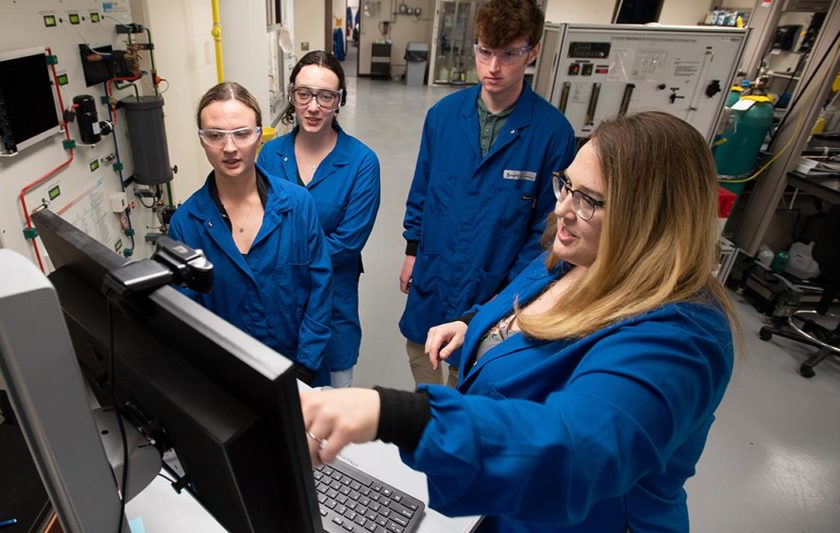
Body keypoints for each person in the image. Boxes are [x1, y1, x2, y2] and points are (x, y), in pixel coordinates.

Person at [301, 112, 738, 531]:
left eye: (587, 200)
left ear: (651, 220)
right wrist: (476, 324)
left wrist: (395, 415)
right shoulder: (577, 256)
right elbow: (524, 307)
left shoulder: (681, 335)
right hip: (501, 502)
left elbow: (575, 448)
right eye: (566, 185)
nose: (561, 209)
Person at [399, 0, 577, 387]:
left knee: (472, 380)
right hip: (435, 273)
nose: (493, 68)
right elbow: (423, 191)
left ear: (534, 50)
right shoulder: (443, 117)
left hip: (497, 285)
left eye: (509, 54)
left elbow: (546, 233)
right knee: (423, 364)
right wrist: (412, 252)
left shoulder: (552, 134)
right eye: (485, 51)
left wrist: (513, 295)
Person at [168, 82, 333, 385]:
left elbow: (320, 290)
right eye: (215, 135)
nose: (229, 148)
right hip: (229, 377)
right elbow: (188, 312)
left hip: (299, 370)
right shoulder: (186, 224)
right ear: (202, 140)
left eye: (242, 133)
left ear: (259, 136)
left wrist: (306, 366)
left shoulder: (297, 206)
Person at [259, 51, 381, 388]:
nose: (313, 106)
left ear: (339, 100)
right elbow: (260, 223)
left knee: (334, 402)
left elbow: (348, 242)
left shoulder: (362, 162)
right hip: (279, 304)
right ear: (292, 95)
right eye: (304, 94)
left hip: (333, 304)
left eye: (325, 96)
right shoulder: (271, 155)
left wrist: (287, 258)